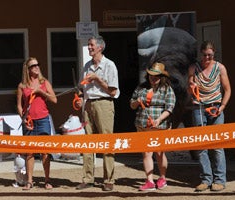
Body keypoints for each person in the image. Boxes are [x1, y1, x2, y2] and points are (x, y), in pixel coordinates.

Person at [74, 35, 120, 191]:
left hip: (104, 104)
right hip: (88, 105)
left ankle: (109, 180)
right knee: (88, 142)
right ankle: (88, 178)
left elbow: (113, 91)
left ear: (100, 47)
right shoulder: (87, 65)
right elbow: (81, 88)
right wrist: (79, 98)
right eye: (88, 45)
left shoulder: (110, 65)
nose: (89, 47)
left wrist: (97, 79)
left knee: (107, 141)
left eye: (91, 45)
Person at [188, 41, 231, 192]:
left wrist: (222, 107)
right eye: (205, 55)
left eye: (210, 55)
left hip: (216, 108)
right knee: (201, 145)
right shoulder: (194, 68)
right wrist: (191, 85)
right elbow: (190, 86)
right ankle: (206, 179)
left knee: (218, 145)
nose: (207, 58)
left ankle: (219, 179)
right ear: (201, 53)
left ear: (214, 54)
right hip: (199, 107)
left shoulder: (220, 68)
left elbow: (227, 90)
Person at [130, 62, 176, 191]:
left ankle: (162, 178)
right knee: (146, 153)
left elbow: (170, 108)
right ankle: (149, 181)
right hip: (142, 124)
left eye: (156, 76)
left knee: (160, 153)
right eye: (151, 75)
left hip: (160, 126)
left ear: (162, 76)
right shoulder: (141, 87)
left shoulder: (167, 89)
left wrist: (158, 120)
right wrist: (136, 102)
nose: (153, 78)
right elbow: (132, 104)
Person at [16, 57, 57, 190]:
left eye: (37, 65)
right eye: (33, 66)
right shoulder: (22, 86)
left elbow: (54, 100)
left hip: (43, 119)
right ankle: (29, 181)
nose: (36, 67)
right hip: (29, 122)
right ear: (27, 70)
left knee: (45, 152)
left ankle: (47, 180)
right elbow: (19, 106)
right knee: (29, 152)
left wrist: (41, 92)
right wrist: (24, 118)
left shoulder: (44, 82)